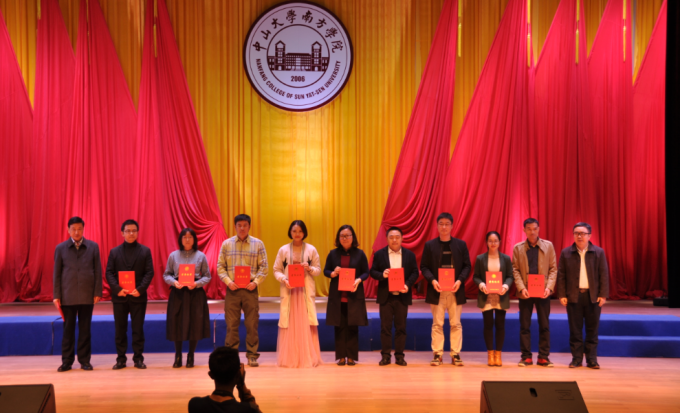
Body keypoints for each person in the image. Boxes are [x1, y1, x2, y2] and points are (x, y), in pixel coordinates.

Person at [420, 212, 471, 367]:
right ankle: (438, 354)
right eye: (441, 224)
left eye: (447, 224)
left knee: (456, 324)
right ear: (437, 226)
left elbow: (467, 266)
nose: (444, 227)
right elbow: (424, 267)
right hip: (437, 290)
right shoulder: (430, 245)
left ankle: (455, 354)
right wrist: (433, 280)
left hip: (455, 290)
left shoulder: (460, 245)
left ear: (452, 226)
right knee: (437, 324)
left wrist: (459, 280)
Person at [217, 214, 268, 367]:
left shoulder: (258, 244)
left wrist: (256, 282)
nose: (242, 228)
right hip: (232, 289)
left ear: (249, 226)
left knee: (252, 324)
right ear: (235, 226)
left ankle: (252, 355)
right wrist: (228, 282)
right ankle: (232, 357)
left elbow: (264, 267)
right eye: (239, 225)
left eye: (245, 225)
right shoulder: (226, 244)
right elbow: (220, 266)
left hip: (250, 289)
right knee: (231, 324)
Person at [53, 216, 102, 372]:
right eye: (73, 229)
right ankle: (67, 361)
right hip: (67, 295)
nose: (76, 232)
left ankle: (84, 360)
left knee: (85, 330)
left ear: (83, 229)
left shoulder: (93, 247)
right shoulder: (60, 248)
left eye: (79, 229)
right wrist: (56, 295)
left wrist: (97, 291)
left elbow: (98, 270)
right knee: (68, 330)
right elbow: (57, 273)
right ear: (68, 230)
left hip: (87, 295)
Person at [557, 222, 609, 369]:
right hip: (573, 296)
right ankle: (576, 359)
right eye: (576, 233)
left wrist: (603, 294)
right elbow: (561, 275)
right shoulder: (566, 252)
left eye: (582, 233)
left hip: (593, 297)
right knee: (575, 330)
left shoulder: (598, 252)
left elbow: (604, 274)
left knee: (592, 330)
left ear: (589, 236)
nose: (579, 236)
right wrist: (562, 294)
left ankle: (592, 360)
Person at [273, 220, 323, 368]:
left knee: (306, 322)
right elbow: (276, 270)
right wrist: (284, 279)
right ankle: (290, 358)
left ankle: (308, 357)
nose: (297, 234)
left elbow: (318, 269)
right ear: (290, 232)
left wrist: (310, 268)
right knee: (289, 322)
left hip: (304, 292)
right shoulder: (283, 250)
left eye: (300, 231)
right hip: (290, 290)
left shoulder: (311, 249)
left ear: (304, 233)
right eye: (294, 231)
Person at [105, 219, 154, 370]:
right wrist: (117, 289)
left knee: (138, 329)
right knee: (120, 330)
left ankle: (138, 359)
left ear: (137, 232)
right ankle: (121, 359)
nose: (131, 233)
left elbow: (149, 272)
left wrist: (140, 289)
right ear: (122, 233)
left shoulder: (145, 251)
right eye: (128, 231)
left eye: (134, 231)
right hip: (120, 296)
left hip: (138, 296)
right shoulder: (114, 252)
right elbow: (109, 273)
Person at [369, 226, 419, 366]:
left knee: (401, 327)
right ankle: (385, 356)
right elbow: (372, 271)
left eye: (397, 237)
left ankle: (399, 356)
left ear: (402, 238)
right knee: (385, 328)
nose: (394, 240)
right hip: (386, 296)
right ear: (387, 239)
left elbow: (415, 272)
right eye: (391, 237)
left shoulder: (409, 255)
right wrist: (382, 275)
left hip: (402, 296)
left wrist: (407, 285)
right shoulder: (380, 254)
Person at [512, 218, 557, 367]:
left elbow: (553, 269)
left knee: (544, 325)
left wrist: (549, 288)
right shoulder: (518, 248)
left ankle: (543, 357)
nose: (532, 232)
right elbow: (515, 270)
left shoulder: (548, 246)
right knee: (524, 326)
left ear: (539, 229)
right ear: (524, 230)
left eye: (535, 228)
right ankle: (526, 357)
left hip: (543, 292)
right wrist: (521, 288)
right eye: (529, 229)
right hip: (525, 292)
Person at [163, 228, 211, 368]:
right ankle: (178, 355)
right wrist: (174, 282)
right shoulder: (173, 255)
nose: (187, 240)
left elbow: (207, 276)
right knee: (176, 323)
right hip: (178, 293)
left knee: (195, 323)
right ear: (180, 239)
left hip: (195, 293)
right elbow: (166, 274)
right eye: (184, 237)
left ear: (194, 239)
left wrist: (197, 284)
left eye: (190, 237)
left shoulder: (201, 256)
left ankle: (191, 355)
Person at [324, 225, 369, 366]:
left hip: (354, 295)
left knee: (352, 326)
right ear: (338, 238)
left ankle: (351, 357)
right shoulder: (333, 254)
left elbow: (366, 272)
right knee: (339, 327)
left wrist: (358, 280)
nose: (345, 238)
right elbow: (326, 271)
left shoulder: (360, 254)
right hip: (338, 296)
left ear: (352, 237)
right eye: (342, 236)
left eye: (347, 235)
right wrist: (333, 273)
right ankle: (341, 357)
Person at [473, 231, 513, 367]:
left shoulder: (506, 258)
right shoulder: (480, 258)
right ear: (486, 242)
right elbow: (476, 276)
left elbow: (510, 276)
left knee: (500, 326)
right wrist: (481, 285)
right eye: (490, 241)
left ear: (500, 242)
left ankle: (498, 354)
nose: (493, 243)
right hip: (487, 296)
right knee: (488, 325)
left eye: (495, 241)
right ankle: (490, 354)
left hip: (501, 295)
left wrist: (505, 286)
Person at [188, 347, 262, 413]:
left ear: (211, 375)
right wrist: (241, 385)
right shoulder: (248, 409)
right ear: (238, 375)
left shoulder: (195, 405)